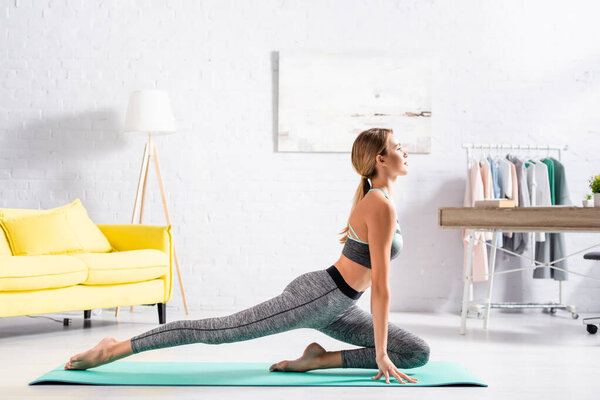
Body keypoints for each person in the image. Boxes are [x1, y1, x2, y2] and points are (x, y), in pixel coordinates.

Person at [64, 128, 430, 385]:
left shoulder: (383, 201)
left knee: (415, 352)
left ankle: (319, 359)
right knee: (221, 331)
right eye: (399, 146)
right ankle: (114, 348)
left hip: (341, 304)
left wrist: (384, 351)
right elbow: (381, 288)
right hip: (319, 297)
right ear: (381, 158)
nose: (405, 151)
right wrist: (380, 353)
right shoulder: (379, 206)